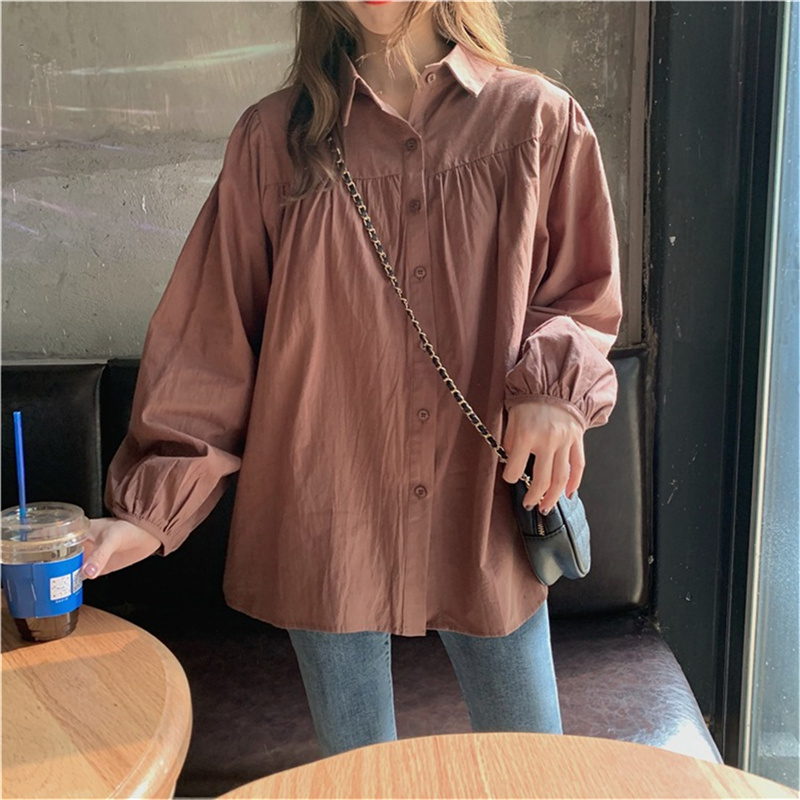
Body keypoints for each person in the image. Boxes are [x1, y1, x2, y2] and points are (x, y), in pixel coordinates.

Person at [83, 0, 623, 757]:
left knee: (532, 770)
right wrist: (151, 511)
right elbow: (214, 333)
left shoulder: (537, 121)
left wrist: (554, 392)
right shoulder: (274, 140)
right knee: (357, 779)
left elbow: (582, 294)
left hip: (483, 504)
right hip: (327, 509)